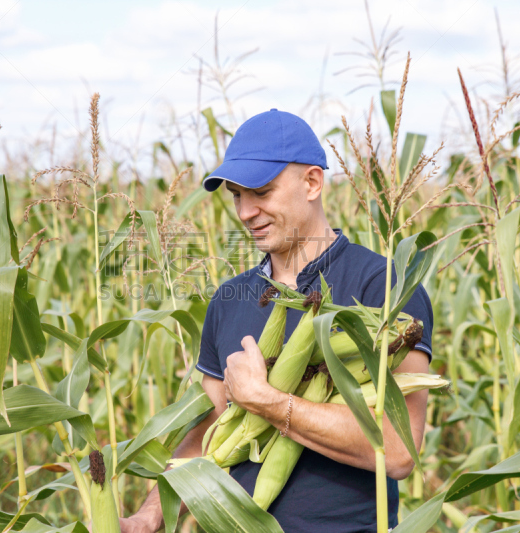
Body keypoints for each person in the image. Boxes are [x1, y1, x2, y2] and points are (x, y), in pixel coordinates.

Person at [120, 109, 433, 533]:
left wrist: (267, 401)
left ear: (312, 183)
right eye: (236, 195)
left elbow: (398, 450)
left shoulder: (385, 287)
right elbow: (212, 429)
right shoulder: (228, 300)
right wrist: (150, 512)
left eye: (262, 192)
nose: (246, 212)